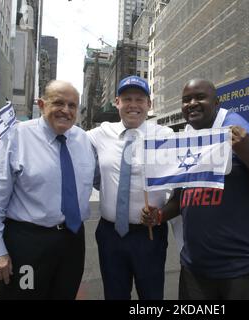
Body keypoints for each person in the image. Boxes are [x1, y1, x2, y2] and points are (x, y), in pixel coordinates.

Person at [142, 79, 249, 300]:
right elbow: (181, 198)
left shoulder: (238, 135)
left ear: (217, 103)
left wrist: (247, 152)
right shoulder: (185, 144)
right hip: (195, 273)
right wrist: (160, 215)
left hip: (245, 273)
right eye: (186, 100)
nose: (192, 103)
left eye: (200, 97)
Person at [0, 80, 97, 300]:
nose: (66, 110)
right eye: (58, 103)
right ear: (41, 104)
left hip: (72, 242)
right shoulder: (17, 137)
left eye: (72, 105)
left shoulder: (83, 140)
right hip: (28, 242)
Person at [87, 75, 173, 300]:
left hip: (150, 235)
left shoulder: (165, 136)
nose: (133, 105)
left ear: (149, 105)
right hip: (110, 234)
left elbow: (178, 182)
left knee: (151, 297)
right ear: (117, 102)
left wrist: (162, 213)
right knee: (114, 295)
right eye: (127, 99)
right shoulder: (99, 134)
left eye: (139, 99)